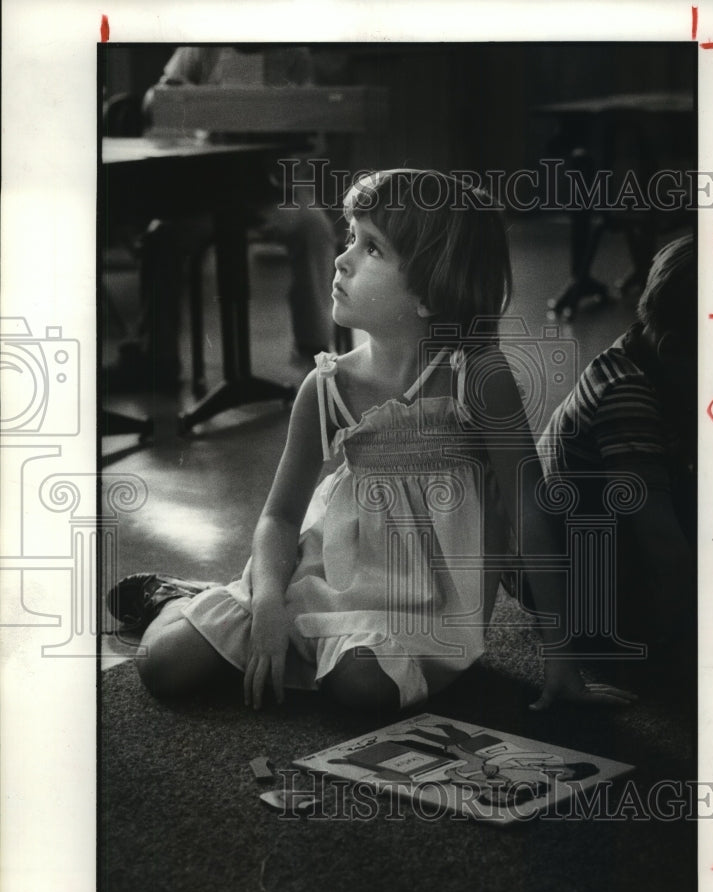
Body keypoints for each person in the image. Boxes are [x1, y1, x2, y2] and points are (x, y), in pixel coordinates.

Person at [108, 168, 634, 714]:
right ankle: (180, 597)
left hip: (423, 606)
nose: (342, 259)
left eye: (373, 249)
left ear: (430, 292)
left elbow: (529, 511)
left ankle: (276, 633)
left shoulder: (479, 376)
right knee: (163, 665)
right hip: (325, 574)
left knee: (363, 688)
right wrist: (266, 606)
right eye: (351, 238)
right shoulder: (326, 385)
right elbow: (279, 517)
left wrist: (561, 659)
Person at [109, 45, 337, 390]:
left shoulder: (291, 52)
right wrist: (181, 98)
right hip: (207, 187)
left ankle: (314, 354)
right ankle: (157, 359)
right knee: (162, 237)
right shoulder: (200, 48)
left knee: (313, 228)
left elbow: (316, 122)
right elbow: (155, 103)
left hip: (271, 187)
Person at [537, 233, 697, 689]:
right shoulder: (625, 394)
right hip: (577, 580)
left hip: (609, 541)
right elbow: (661, 545)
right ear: (673, 349)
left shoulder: (650, 356)